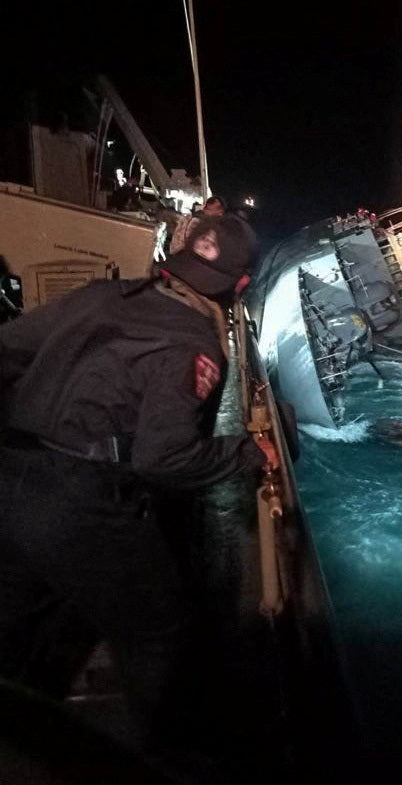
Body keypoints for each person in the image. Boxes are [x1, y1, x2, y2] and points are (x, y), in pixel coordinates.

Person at [0, 213, 278, 773]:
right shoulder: (190, 343)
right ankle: (171, 760)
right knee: (160, 632)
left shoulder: (100, 296)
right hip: (82, 501)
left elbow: (7, 348)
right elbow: (165, 458)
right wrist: (252, 453)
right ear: (239, 287)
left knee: (18, 622)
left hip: (10, 476)